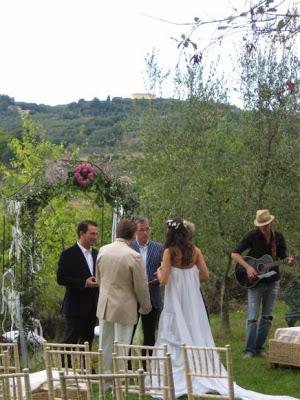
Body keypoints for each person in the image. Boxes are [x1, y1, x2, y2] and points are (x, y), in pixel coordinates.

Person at [154, 218, 297, 400]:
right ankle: (198, 370)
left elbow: (164, 280)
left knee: (173, 331)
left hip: (175, 300)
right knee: (194, 328)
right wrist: (187, 277)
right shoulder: (195, 251)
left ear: (171, 233)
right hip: (192, 301)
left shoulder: (169, 252)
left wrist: (160, 272)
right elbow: (204, 276)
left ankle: (175, 373)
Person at [231, 209, 294, 358]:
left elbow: (284, 256)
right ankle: (249, 350)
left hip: (273, 280)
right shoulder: (252, 236)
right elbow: (235, 253)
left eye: (266, 224)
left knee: (267, 317)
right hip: (255, 282)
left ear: (270, 222)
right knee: (252, 317)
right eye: (261, 225)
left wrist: (289, 261)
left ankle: (259, 347)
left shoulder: (277, 237)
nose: (264, 227)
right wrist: (248, 267)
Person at [96, 218, 152, 372]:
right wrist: (146, 307)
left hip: (105, 304)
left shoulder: (103, 250)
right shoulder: (133, 256)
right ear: (134, 234)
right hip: (125, 306)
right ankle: (120, 382)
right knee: (122, 346)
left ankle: (105, 379)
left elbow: (99, 278)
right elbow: (141, 287)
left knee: (105, 345)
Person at [57, 220, 99, 349]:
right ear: (82, 233)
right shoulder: (68, 254)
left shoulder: (97, 254)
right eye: (92, 234)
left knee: (88, 341)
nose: (95, 237)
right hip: (75, 307)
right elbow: (61, 279)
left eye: (96, 234)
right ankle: (66, 368)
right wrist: (84, 283)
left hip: (92, 306)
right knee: (70, 340)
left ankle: (85, 368)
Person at [131, 216, 163, 348]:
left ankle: (148, 366)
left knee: (150, 336)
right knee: (129, 335)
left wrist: (160, 275)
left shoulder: (158, 247)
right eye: (141, 230)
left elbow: (164, 267)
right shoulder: (128, 247)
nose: (145, 233)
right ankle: (126, 366)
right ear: (135, 232)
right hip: (132, 297)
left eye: (147, 229)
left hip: (152, 295)